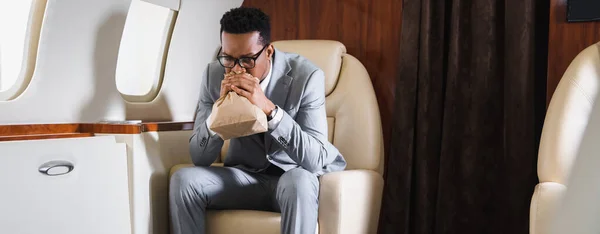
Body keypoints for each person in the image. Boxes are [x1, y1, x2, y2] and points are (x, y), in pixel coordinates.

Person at [169, 7, 347, 234]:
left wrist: (270, 110)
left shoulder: (307, 76)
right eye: (228, 58)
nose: (236, 68)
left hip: (290, 179)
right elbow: (199, 157)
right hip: (243, 177)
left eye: (247, 59)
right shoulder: (213, 75)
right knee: (183, 180)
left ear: (269, 51)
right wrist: (218, 114)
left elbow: (315, 159)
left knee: (300, 181)